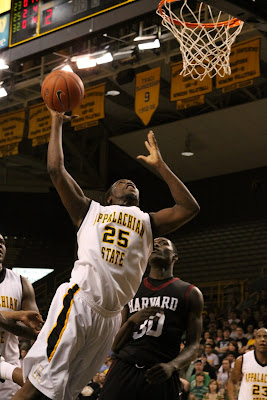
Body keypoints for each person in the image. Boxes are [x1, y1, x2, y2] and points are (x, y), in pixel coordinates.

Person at [11, 109, 200, 400]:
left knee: (62, 395)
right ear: (108, 197)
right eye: (122, 183)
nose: (130, 183)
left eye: (134, 183)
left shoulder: (148, 222)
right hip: (80, 302)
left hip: (110, 319)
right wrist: (56, 121)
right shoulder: (91, 211)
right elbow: (55, 170)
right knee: (37, 387)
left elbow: (189, 208)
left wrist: (160, 165)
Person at [98, 237, 203, 400]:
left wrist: (172, 366)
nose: (156, 246)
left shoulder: (190, 292)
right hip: (125, 368)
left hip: (161, 373)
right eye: (152, 245)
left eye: (163, 244)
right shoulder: (131, 288)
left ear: (174, 256)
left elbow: (194, 345)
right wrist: (133, 321)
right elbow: (115, 345)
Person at [0, 233, 43, 399]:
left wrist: (8, 319)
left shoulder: (21, 282)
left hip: (10, 370)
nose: (0, 245)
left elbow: (33, 331)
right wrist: (15, 315)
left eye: (2, 242)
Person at [227, 327, 267, 400]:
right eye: (259, 337)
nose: (262, 340)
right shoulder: (243, 360)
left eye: (265, 337)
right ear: (254, 341)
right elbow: (232, 382)